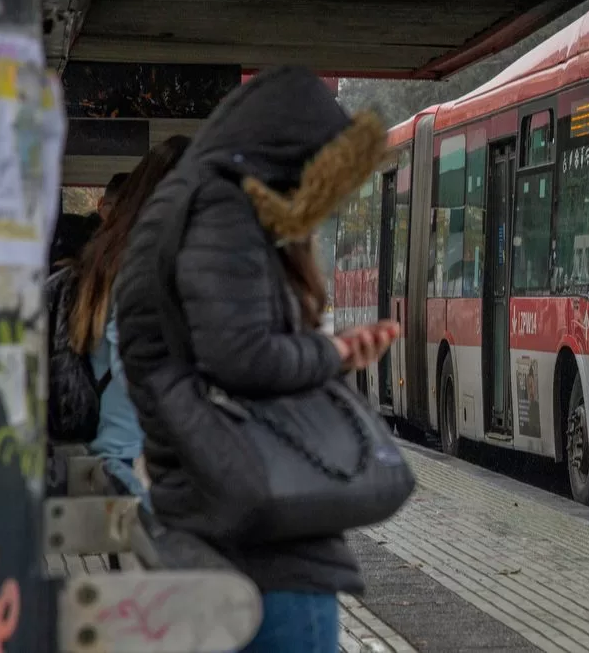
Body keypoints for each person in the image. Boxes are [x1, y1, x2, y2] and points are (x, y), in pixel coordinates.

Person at [113, 67, 398, 652]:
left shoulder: (181, 203)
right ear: (286, 148)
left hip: (213, 514)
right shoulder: (218, 205)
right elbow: (240, 355)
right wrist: (331, 351)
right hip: (262, 551)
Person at [66, 140, 189, 503]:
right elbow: (135, 363)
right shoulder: (145, 261)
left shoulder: (115, 250)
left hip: (117, 453)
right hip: (134, 462)